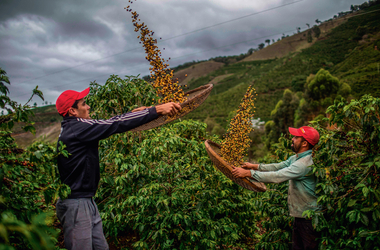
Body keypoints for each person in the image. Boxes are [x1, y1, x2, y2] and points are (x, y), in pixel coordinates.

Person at [55, 87, 181, 250]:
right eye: (84, 104)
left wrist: (133, 114)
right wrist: (156, 110)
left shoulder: (74, 127)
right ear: (72, 111)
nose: (88, 107)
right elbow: (114, 124)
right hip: (77, 204)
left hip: (85, 200)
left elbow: (110, 122)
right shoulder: (78, 128)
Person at [232, 126, 320, 250]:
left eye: (296, 137)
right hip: (300, 215)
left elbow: (278, 176)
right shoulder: (296, 158)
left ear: (305, 143)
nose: (292, 139)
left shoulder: (303, 164)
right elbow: (278, 166)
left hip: (308, 218)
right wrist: (254, 166)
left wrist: (249, 173)